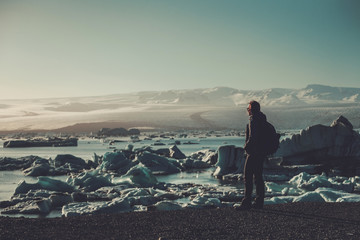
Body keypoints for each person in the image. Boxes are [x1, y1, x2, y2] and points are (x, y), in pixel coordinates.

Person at [239, 100, 267, 210]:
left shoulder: (254, 120)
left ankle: (247, 202)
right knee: (258, 177)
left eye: (248, 109)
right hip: (261, 152)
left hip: (254, 152)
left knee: (248, 176)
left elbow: (253, 137)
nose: (247, 111)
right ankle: (259, 202)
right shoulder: (262, 118)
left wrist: (246, 147)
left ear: (252, 109)